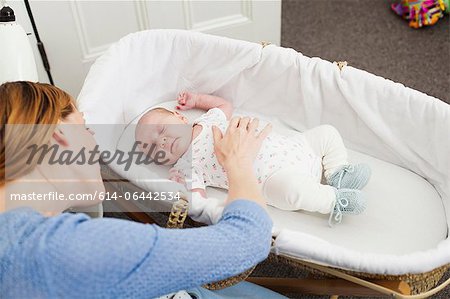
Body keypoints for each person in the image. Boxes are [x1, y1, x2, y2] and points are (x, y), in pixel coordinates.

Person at [0, 81, 287, 299]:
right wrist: (238, 161)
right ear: (59, 135)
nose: (93, 143)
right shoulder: (72, 249)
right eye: (86, 128)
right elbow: (250, 239)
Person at [135, 92, 372, 226]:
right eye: (154, 148)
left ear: (179, 117)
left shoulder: (208, 120)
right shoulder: (187, 165)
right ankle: (334, 199)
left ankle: (338, 172)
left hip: (294, 146)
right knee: (292, 191)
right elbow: (199, 201)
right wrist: (181, 187)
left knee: (327, 133)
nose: (162, 142)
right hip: (270, 179)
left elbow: (224, 104)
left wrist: (196, 101)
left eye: (161, 130)